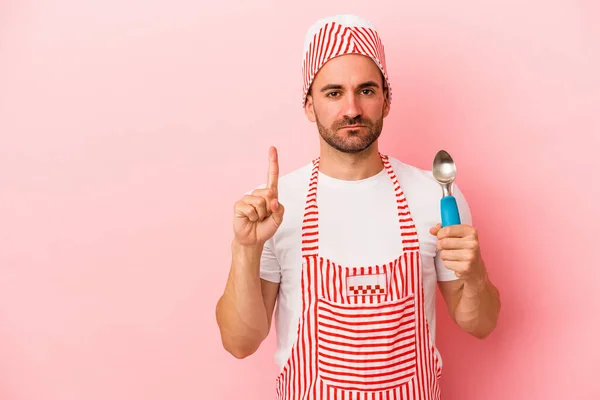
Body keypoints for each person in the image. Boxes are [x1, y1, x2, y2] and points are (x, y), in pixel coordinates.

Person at [216, 14, 501, 399]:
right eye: (333, 93)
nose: (351, 108)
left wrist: (476, 273)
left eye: (366, 90)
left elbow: (480, 324)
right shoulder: (274, 206)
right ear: (309, 105)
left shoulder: (436, 196)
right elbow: (240, 342)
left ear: (386, 101)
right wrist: (245, 249)